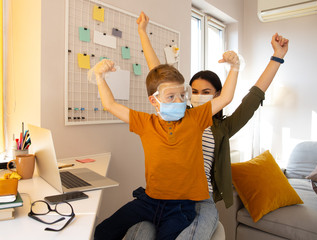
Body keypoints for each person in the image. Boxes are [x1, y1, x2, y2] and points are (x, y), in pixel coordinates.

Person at [125, 12, 289, 240]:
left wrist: (277, 57)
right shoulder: (177, 115)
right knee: (138, 235)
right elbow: (158, 75)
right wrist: (142, 32)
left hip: (201, 200)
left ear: (218, 95)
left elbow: (254, 97)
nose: (198, 96)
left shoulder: (224, 127)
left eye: (206, 92)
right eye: (194, 91)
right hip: (163, 197)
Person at [92, 42, 240, 239]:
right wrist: (99, 77)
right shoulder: (145, 122)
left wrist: (235, 67)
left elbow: (225, 98)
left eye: (182, 95)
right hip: (150, 201)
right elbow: (110, 104)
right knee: (103, 231)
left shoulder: (195, 118)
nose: (179, 101)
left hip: (181, 207)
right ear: (154, 100)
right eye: (171, 97)